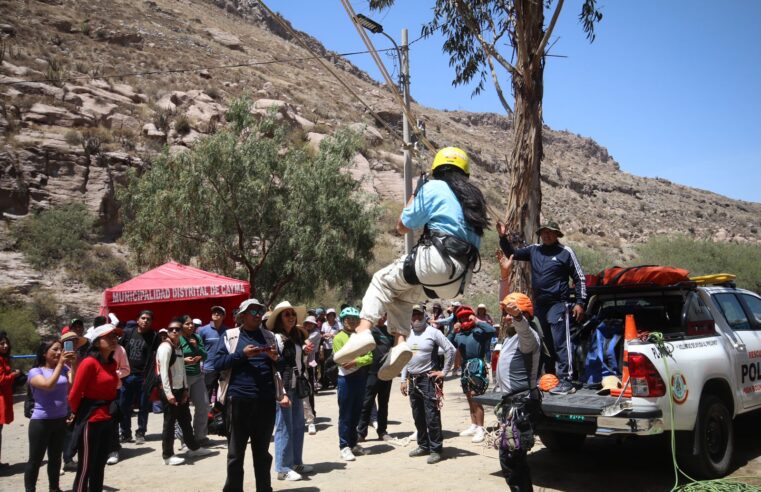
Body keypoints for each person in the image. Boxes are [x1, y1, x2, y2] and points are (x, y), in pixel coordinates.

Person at [334, 147, 487, 382]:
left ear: (437, 170)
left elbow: (403, 225)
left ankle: (363, 331)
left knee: (381, 281)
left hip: (436, 260)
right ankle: (400, 343)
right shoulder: (474, 200)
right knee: (401, 296)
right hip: (458, 279)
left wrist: (416, 193)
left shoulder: (434, 187)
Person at [498, 220, 586, 395]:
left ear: (556, 235)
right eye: (544, 232)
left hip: (558, 304)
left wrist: (580, 302)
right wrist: (502, 237)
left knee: (561, 342)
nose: (546, 235)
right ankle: (549, 377)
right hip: (539, 306)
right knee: (544, 343)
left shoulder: (565, 252)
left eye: (550, 232)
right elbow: (512, 253)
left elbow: (579, 279)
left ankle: (567, 380)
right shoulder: (534, 250)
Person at [210, 298, 287, 492]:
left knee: (262, 452)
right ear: (242, 316)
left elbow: (283, 366)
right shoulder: (231, 336)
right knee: (236, 453)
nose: (258, 314)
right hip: (238, 400)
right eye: (253, 312)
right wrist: (242, 355)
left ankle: (264, 488)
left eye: (259, 311)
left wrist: (276, 358)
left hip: (265, 401)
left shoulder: (270, 337)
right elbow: (217, 364)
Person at [68, 323, 122, 492]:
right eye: (109, 336)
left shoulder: (111, 363)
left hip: (107, 418)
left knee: (99, 464)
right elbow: (75, 393)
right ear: (98, 342)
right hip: (91, 419)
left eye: (115, 336)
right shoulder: (89, 363)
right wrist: (77, 414)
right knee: (86, 466)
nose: (114, 339)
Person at [24, 336, 80, 492]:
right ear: (44, 353)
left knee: (55, 459)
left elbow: (73, 382)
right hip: (41, 422)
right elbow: (47, 385)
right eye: (54, 349)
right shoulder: (35, 371)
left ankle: (54, 488)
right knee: (35, 460)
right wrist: (61, 363)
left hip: (60, 420)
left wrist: (73, 363)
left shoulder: (63, 368)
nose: (59, 352)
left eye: (60, 349)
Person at [401, 306, 455, 464]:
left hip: (428, 380)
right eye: (413, 314)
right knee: (418, 415)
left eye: (418, 314)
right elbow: (405, 357)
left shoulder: (433, 332)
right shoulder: (407, 333)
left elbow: (450, 349)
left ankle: (436, 449)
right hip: (413, 380)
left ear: (424, 315)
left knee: (431, 415)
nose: (416, 317)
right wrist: (404, 379)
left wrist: (444, 371)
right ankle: (423, 445)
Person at [156, 318, 213, 466]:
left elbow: (181, 370)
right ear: (167, 332)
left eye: (177, 329)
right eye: (171, 329)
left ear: (181, 332)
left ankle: (193, 448)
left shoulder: (178, 346)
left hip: (181, 389)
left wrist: (186, 389)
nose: (174, 331)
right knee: (169, 423)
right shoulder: (165, 347)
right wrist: (168, 394)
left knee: (185, 419)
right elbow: (163, 373)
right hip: (170, 390)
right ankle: (167, 455)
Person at [268, 301, 315, 481]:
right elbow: (276, 367)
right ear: (280, 318)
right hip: (284, 388)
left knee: (297, 426)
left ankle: (295, 462)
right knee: (284, 428)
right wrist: (282, 393)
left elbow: (298, 362)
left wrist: (305, 350)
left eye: (292, 314)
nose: (291, 317)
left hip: (296, 386)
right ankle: (282, 468)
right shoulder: (275, 338)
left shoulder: (296, 337)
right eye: (286, 314)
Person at [448, 305, 496, 444]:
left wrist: (477, 321)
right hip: (465, 366)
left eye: (465, 316)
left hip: (477, 365)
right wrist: (453, 330)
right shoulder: (459, 334)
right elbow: (447, 342)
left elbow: (492, 330)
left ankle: (481, 428)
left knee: (476, 397)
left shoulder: (479, 330)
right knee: (469, 397)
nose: (463, 319)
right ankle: (474, 425)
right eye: (461, 317)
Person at [332, 307, 373, 462]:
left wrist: (356, 361)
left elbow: (369, 357)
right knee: (345, 414)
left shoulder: (361, 336)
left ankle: (353, 443)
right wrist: (359, 359)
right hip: (346, 379)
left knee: (357, 412)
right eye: (348, 319)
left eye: (355, 319)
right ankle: (344, 446)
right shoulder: (338, 338)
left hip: (360, 377)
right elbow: (341, 360)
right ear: (343, 321)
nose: (352, 322)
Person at [118, 310, 157, 443]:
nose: (145, 321)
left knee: (143, 406)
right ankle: (125, 433)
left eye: (148, 319)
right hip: (127, 376)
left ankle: (141, 432)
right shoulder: (128, 333)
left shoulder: (154, 336)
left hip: (143, 377)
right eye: (143, 318)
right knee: (124, 405)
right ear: (137, 319)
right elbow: (119, 350)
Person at [356, 313, 393, 442]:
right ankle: (361, 432)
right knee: (366, 403)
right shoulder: (368, 330)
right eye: (380, 314)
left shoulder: (390, 332)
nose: (383, 317)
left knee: (384, 403)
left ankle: (382, 431)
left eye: (385, 315)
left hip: (386, 373)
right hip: (370, 372)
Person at [177, 314, 209, 446]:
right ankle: (184, 439)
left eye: (191, 323)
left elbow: (205, 355)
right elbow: (172, 356)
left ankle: (200, 436)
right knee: (182, 409)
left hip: (197, 376)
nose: (190, 326)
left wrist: (197, 348)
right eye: (187, 324)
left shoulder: (197, 337)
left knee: (204, 405)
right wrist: (183, 360)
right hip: (182, 378)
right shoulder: (177, 339)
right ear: (181, 326)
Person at [198, 306, 230, 401]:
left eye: (219, 313)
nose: (216, 314)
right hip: (209, 368)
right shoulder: (203, 330)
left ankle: (218, 413)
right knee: (207, 393)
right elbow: (199, 348)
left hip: (223, 367)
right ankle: (206, 413)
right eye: (214, 312)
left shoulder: (227, 331)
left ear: (223, 316)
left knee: (222, 393)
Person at [0, 330, 19, 470]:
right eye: (2, 343)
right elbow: (1, 380)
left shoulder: (4, 359)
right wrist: (14, 374)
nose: (5, 346)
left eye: (6, 343)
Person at [302, 316, 321, 435]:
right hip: (301, 363)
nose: (308, 325)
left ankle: (311, 414)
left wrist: (300, 333)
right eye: (307, 323)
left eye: (310, 324)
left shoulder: (315, 334)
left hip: (310, 363)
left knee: (309, 390)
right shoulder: (302, 334)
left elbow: (306, 341)